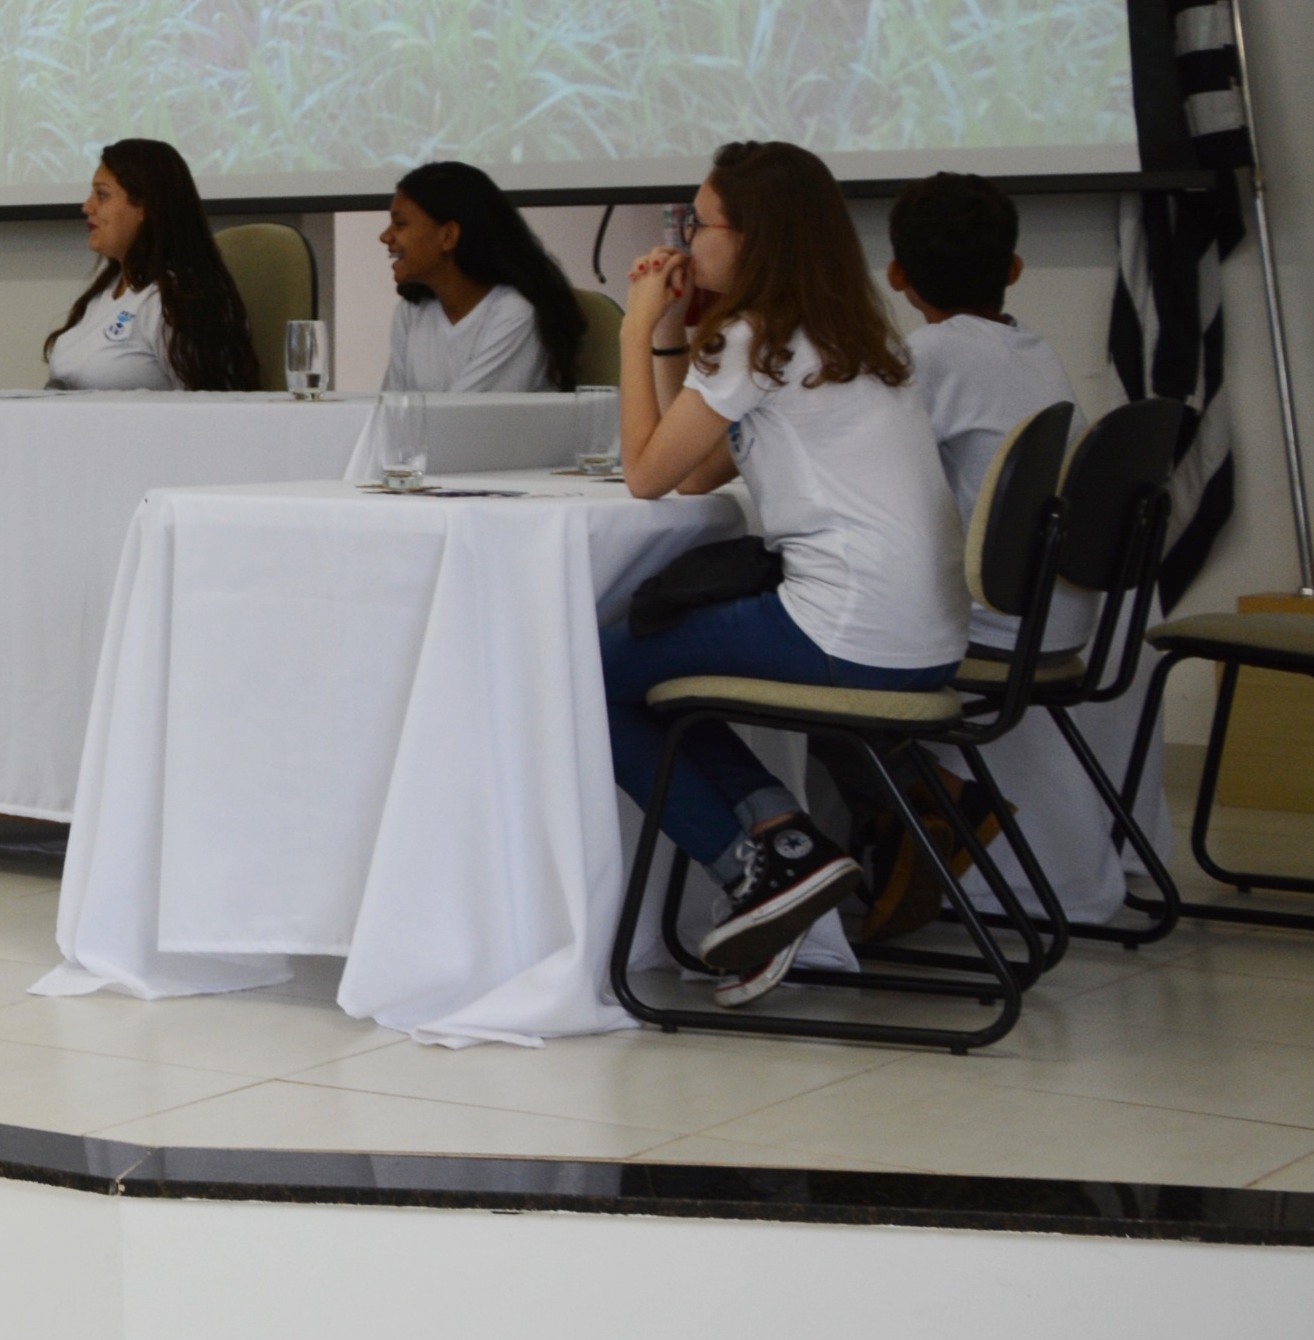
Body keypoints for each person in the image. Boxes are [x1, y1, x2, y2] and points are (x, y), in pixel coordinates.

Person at [611, 140, 965, 1005]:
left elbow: (646, 476)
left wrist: (630, 331)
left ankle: (755, 865)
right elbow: (697, 471)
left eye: (702, 223)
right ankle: (783, 837)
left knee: (589, 668)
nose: (687, 241)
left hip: (846, 632)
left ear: (753, 237)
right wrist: (671, 335)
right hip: (920, 640)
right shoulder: (844, 333)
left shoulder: (754, 335)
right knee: (644, 664)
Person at [884, 170, 1114, 927]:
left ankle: (928, 799)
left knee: (815, 634)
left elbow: (875, 476)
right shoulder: (1032, 348)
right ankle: (920, 810)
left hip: (995, 627)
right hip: (1059, 618)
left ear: (896, 277)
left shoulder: (930, 354)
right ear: (1014, 269)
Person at [43, 138, 263, 391]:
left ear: (145, 208)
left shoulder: (179, 299)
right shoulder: (107, 286)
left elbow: (211, 405)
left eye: (102, 195)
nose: (87, 207)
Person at [381, 159, 583, 392]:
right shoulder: (411, 312)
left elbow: (465, 411)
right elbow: (391, 407)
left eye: (400, 224)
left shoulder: (517, 313)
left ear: (449, 236)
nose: (385, 236)